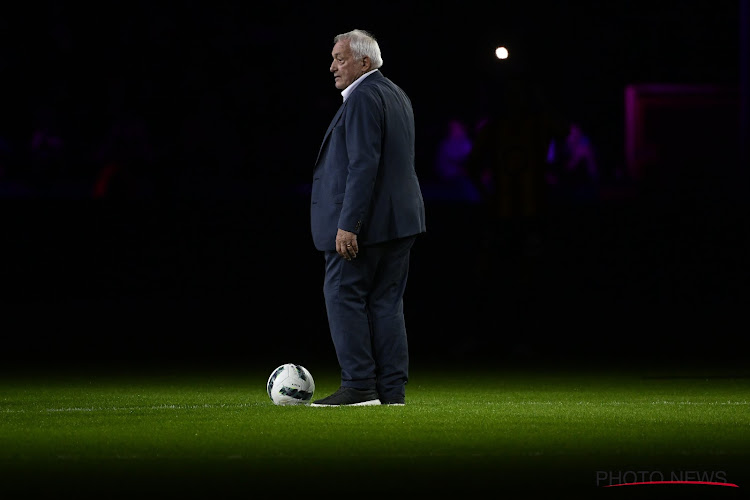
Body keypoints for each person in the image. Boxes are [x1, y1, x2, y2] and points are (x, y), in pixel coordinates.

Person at [309, 29, 426, 407]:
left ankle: (359, 386)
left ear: (364, 61)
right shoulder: (396, 93)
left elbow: (363, 165)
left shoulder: (362, 98)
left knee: (344, 295)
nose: (332, 67)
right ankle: (392, 392)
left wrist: (348, 224)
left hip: (369, 226)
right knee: (387, 304)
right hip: (400, 222)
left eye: (340, 58)